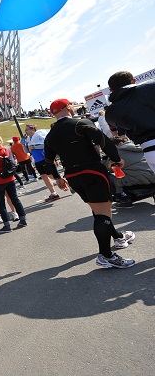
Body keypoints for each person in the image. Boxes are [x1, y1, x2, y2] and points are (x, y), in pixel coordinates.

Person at [43, 99, 136, 268]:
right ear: (68, 108)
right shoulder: (80, 123)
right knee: (102, 213)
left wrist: (58, 178)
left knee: (99, 210)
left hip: (72, 175)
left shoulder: (50, 135)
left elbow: (48, 160)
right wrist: (116, 159)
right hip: (92, 171)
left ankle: (118, 236)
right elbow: (104, 141)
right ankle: (105, 255)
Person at [105, 71, 155, 174]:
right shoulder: (151, 87)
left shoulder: (112, 111)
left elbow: (114, 124)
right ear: (133, 81)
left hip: (149, 150)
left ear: (111, 90)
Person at [0, 136, 28, 233]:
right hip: (9, 178)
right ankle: (23, 218)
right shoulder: (5, 150)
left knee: (1, 203)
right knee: (14, 198)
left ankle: (7, 225)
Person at [25, 124, 61, 202]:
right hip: (37, 160)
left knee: (51, 176)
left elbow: (45, 145)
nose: (27, 131)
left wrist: (34, 147)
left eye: (28, 129)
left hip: (44, 158)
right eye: (26, 130)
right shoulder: (28, 138)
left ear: (33, 129)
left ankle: (69, 184)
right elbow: (28, 149)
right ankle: (53, 193)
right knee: (44, 176)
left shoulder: (39, 135)